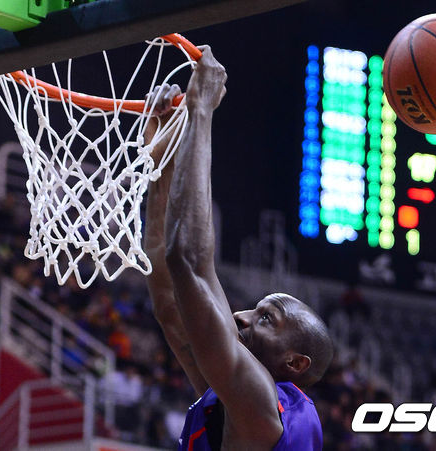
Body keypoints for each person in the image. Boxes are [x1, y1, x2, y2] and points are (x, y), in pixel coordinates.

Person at [143, 46, 333, 450]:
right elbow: (168, 298)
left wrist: (201, 110)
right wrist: (162, 167)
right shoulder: (233, 396)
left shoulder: (263, 409)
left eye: (265, 320)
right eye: (256, 310)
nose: (240, 316)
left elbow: (187, 261)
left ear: (295, 363)